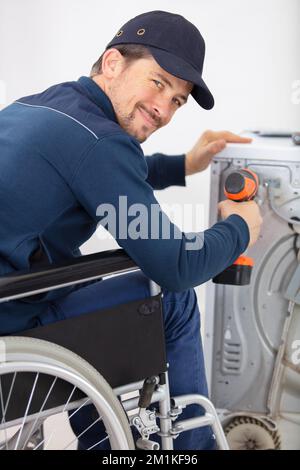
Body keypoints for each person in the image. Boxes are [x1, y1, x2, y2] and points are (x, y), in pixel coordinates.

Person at [0, 10, 262, 449]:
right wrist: (240, 227)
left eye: (177, 100)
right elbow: (178, 264)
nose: (163, 109)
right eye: (158, 82)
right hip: (14, 334)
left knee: (97, 287)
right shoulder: (100, 143)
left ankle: (107, 442)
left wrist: (184, 165)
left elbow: (98, 173)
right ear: (113, 63)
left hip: (11, 301)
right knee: (170, 296)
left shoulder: (41, 107)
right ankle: (194, 447)